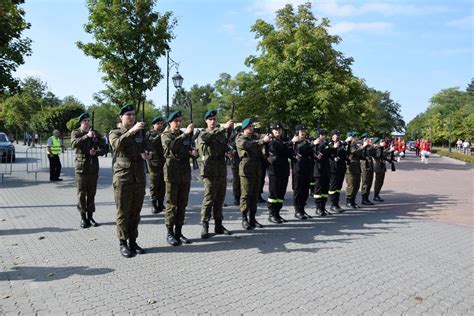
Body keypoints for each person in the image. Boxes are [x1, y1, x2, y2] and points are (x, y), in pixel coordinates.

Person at [109, 105, 152, 258]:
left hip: (138, 176)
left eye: (133, 115)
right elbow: (117, 145)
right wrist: (132, 131)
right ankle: (123, 242)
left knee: (135, 212)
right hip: (123, 177)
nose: (131, 117)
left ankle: (133, 241)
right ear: (121, 117)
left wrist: (148, 153)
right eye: (128, 115)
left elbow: (147, 146)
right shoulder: (114, 133)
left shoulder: (140, 133)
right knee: (123, 212)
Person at [196, 110, 234, 238]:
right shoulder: (203, 133)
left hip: (221, 170)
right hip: (209, 171)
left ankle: (219, 225)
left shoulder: (220, 135)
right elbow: (208, 139)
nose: (213, 121)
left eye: (214, 119)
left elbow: (224, 146)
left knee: (219, 199)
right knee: (209, 199)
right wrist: (223, 128)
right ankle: (205, 225)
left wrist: (228, 151)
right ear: (206, 120)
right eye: (210, 119)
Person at [161, 111, 195, 246]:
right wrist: (185, 134)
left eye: (180, 121)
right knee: (171, 204)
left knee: (182, 204)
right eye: (176, 121)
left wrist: (193, 153)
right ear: (170, 122)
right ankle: (170, 232)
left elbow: (187, 148)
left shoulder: (184, 134)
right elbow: (173, 146)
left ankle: (178, 232)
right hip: (172, 173)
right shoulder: (166, 135)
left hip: (185, 172)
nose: (179, 123)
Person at [71, 112, 107, 228]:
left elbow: (105, 148)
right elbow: (73, 144)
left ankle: (90, 216)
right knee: (82, 193)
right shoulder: (76, 132)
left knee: (91, 193)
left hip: (93, 168)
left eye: (88, 121)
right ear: (81, 122)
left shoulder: (95, 133)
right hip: (81, 168)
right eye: (84, 121)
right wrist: (87, 136)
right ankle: (83, 217)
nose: (87, 123)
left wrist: (96, 152)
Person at [236, 118, 272, 230]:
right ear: (244, 128)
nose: (251, 128)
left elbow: (262, 152)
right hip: (246, 170)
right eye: (249, 127)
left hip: (257, 169)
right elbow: (247, 145)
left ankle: (252, 218)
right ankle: (244, 219)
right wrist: (262, 141)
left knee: (255, 195)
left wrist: (267, 143)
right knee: (246, 195)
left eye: (252, 126)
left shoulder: (255, 138)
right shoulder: (240, 138)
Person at [266, 122, 297, 223]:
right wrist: (290, 143)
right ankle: (271, 214)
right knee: (274, 194)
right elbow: (278, 149)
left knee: (280, 194)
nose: (278, 131)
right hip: (274, 172)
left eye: (279, 130)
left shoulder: (284, 141)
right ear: (272, 131)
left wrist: (293, 154)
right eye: (275, 130)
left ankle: (277, 213)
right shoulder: (272, 142)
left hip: (284, 171)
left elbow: (288, 152)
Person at [292, 124, 313, 220]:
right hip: (298, 170)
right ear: (297, 132)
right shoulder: (294, 142)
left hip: (306, 169)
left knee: (305, 191)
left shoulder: (306, 142)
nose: (303, 133)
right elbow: (294, 151)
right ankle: (297, 210)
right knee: (298, 191)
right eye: (301, 131)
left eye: (304, 131)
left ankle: (302, 209)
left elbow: (311, 153)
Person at [146, 116, 166, 214]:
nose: (160, 125)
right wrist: (160, 136)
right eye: (158, 123)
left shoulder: (164, 134)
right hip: (153, 161)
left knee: (163, 183)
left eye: (161, 123)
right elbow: (151, 144)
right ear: (153, 124)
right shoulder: (150, 134)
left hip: (164, 160)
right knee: (154, 183)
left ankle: (161, 203)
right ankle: (154, 204)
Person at [345, 131, 369, 209]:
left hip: (357, 167)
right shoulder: (350, 145)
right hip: (351, 168)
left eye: (356, 136)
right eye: (354, 136)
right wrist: (363, 147)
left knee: (356, 185)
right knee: (351, 185)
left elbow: (360, 155)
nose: (356, 138)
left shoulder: (355, 144)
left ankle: (353, 201)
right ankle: (348, 201)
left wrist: (363, 148)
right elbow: (354, 152)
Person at [312, 129, 331, 216]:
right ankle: (318, 208)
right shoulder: (314, 144)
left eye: (324, 134)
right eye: (321, 134)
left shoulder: (325, 144)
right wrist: (315, 145)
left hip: (326, 169)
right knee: (319, 190)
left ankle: (323, 207)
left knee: (325, 190)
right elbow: (314, 154)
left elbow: (328, 152)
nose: (323, 136)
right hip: (318, 169)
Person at [327, 129, 347, 213]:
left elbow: (345, 154)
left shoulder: (341, 144)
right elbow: (330, 154)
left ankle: (336, 203)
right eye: (336, 134)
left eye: (339, 134)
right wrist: (335, 147)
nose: (338, 136)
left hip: (341, 168)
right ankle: (333, 204)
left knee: (338, 187)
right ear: (332, 135)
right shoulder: (329, 144)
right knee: (333, 187)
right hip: (333, 168)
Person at [372, 138, 394, 202]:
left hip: (382, 166)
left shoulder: (380, 149)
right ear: (376, 143)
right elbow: (379, 155)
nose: (382, 143)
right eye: (379, 142)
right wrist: (389, 151)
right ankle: (375, 196)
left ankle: (377, 195)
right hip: (378, 166)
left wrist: (390, 161)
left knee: (381, 182)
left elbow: (384, 156)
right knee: (378, 182)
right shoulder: (376, 149)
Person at [253, 127, 268, 203]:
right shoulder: (254, 141)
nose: (257, 135)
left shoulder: (262, 140)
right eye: (256, 133)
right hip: (256, 162)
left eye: (258, 133)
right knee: (257, 180)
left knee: (261, 179)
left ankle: (259, 195)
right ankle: (256, 196)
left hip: (262, 162)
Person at [360, 134, 375, 206]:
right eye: (367, 139)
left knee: (370, 182)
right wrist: (364, 146)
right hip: (364, 165)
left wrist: (372, 146)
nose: (368, 140)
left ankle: (367, 198)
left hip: (370, 165)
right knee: (365, 182)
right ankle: (364, 199)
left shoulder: (369, 146)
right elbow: (361, 154)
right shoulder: (361, 146)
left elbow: (373, 153)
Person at [229, 126, 242, 205]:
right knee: (236, 179)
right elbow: (230, 145)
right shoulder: (233, 137)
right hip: (236, 160)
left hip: (243, 161)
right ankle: (236, 197)